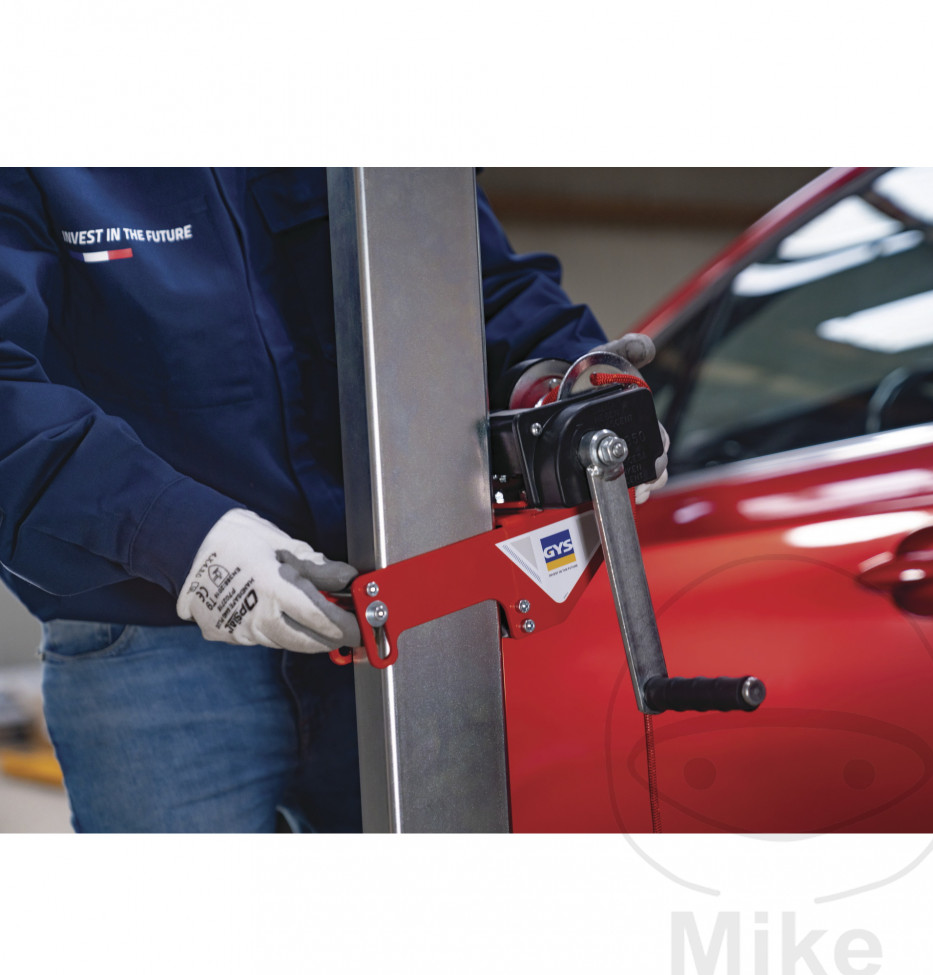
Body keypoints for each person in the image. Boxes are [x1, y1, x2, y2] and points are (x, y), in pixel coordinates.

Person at [0, 168, 666, 832]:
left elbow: (476, 278)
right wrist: (182, 537)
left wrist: (569, 386)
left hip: (409, 623)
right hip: (150, 647)